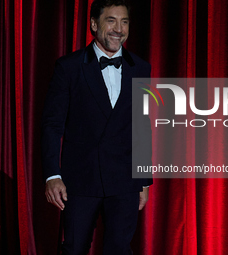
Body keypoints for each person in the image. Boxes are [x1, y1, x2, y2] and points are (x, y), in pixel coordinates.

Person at [41, 0, 152, 254]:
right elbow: (52, 125)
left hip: (124, 181)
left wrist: (144, 179)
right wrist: (52, 175)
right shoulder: (68, 67)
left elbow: (142, 126)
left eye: (124, 22)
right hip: (80, 182)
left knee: (120, 249)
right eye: (111, 20)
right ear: (94, 24)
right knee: (74, 248)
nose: (118, 29)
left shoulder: (140, 68)